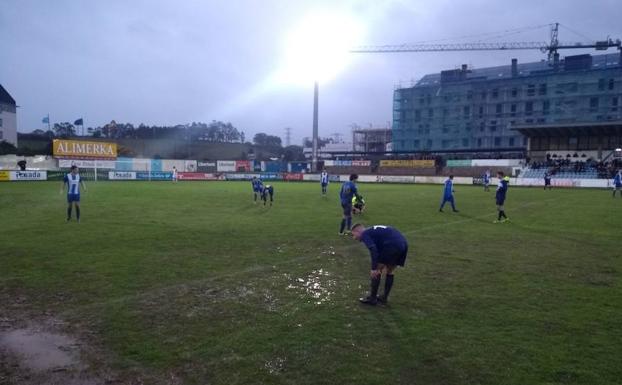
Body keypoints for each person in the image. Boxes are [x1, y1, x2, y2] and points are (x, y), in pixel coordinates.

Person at [351, 224, 408, 306]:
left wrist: (374, 268)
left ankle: (372, 298)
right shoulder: (372, 231)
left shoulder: (364, 234)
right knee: (390, 271)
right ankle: (384, 298)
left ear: (358, 231)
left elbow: (373, 249)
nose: (354, 238)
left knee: (377, 271)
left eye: (354, 235)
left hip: (391, 245)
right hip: (403, 244)